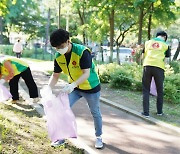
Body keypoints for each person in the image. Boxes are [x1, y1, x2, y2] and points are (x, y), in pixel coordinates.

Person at [47, 29, 103, 149]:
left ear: (68, 41)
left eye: (61, 46)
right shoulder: (58, 56)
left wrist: (72, 85)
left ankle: (99, 137)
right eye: (56, 48)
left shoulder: (82, 52)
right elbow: (56, 75)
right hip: (74, 88)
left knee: (95, 112)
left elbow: (86, 74)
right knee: (62, 108)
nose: (59, 49)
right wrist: (48, 88)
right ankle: (61, 137)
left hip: (90, 87)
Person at [141, 31, 170, 118]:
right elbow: (167, 60)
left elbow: (142, 56)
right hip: (159, 67)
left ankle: (146, 113)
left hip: (147, 66)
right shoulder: (166, 45)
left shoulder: (148, 43)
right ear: (164, 37)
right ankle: (159, 112)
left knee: (146, 89)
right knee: (159, 90)